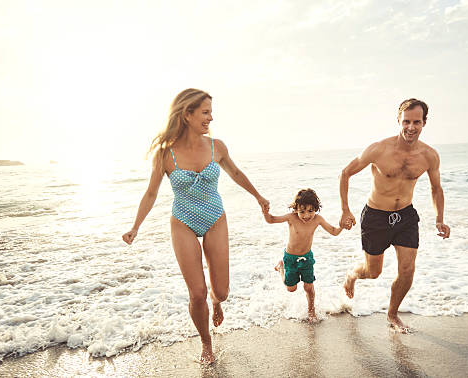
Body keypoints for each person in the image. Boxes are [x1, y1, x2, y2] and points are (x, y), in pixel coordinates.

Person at [122, 88, 269, 363]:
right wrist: (136, 226)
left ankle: (216, 303)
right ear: (187, 114)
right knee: (197, 292)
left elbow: (235, 173)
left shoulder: (217, 147)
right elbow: (151, 193)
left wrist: (258, 197)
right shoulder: (165, 155)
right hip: (183, 222)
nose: (210, 118)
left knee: (220, 291)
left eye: (210, 112)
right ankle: (206, 344)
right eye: (205, 112)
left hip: (215, 218)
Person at [339, 98, 450, 333]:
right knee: (373, 272)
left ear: (424, 123)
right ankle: (351, 275)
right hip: (376, 217)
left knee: (408, 269)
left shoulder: (429, 156)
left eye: (416, 122)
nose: (411, 127)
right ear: (398, 121)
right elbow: (346, 173)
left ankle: (392, 314)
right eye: (406, 121)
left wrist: (439, 217)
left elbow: (436, 188)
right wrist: (345, 210)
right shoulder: (379, 149)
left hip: (406, 217)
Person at [262, 188, 343, 323]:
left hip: (307, 259)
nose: (306, 215)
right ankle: (280, 266)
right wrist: (265, 212)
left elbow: (334, 231)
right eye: (302, 211)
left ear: (316, 209)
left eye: (310, 211)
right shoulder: (291, 218)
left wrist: (342, 225)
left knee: (308, 287)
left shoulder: (317, 220)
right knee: (291, 289)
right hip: (290, 258)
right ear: (296, 210)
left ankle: (311, 312)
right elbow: (271, 220)